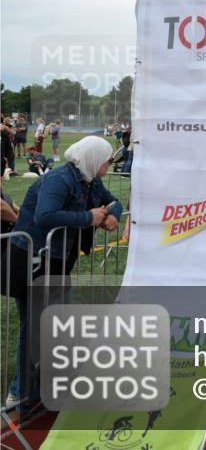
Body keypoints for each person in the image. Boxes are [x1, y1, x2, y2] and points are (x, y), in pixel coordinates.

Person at [4, 136, 122, 422]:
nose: (110, 164)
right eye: (107, 159)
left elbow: (113, 202)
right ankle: (20, 395)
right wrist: (88, 217)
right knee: (35, 329)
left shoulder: (89, 179)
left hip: (55, 261)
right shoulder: (60, 178)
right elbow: (46, 215)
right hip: (33, 260)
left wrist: (111, 215)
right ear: (94, 158)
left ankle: (45, 388)